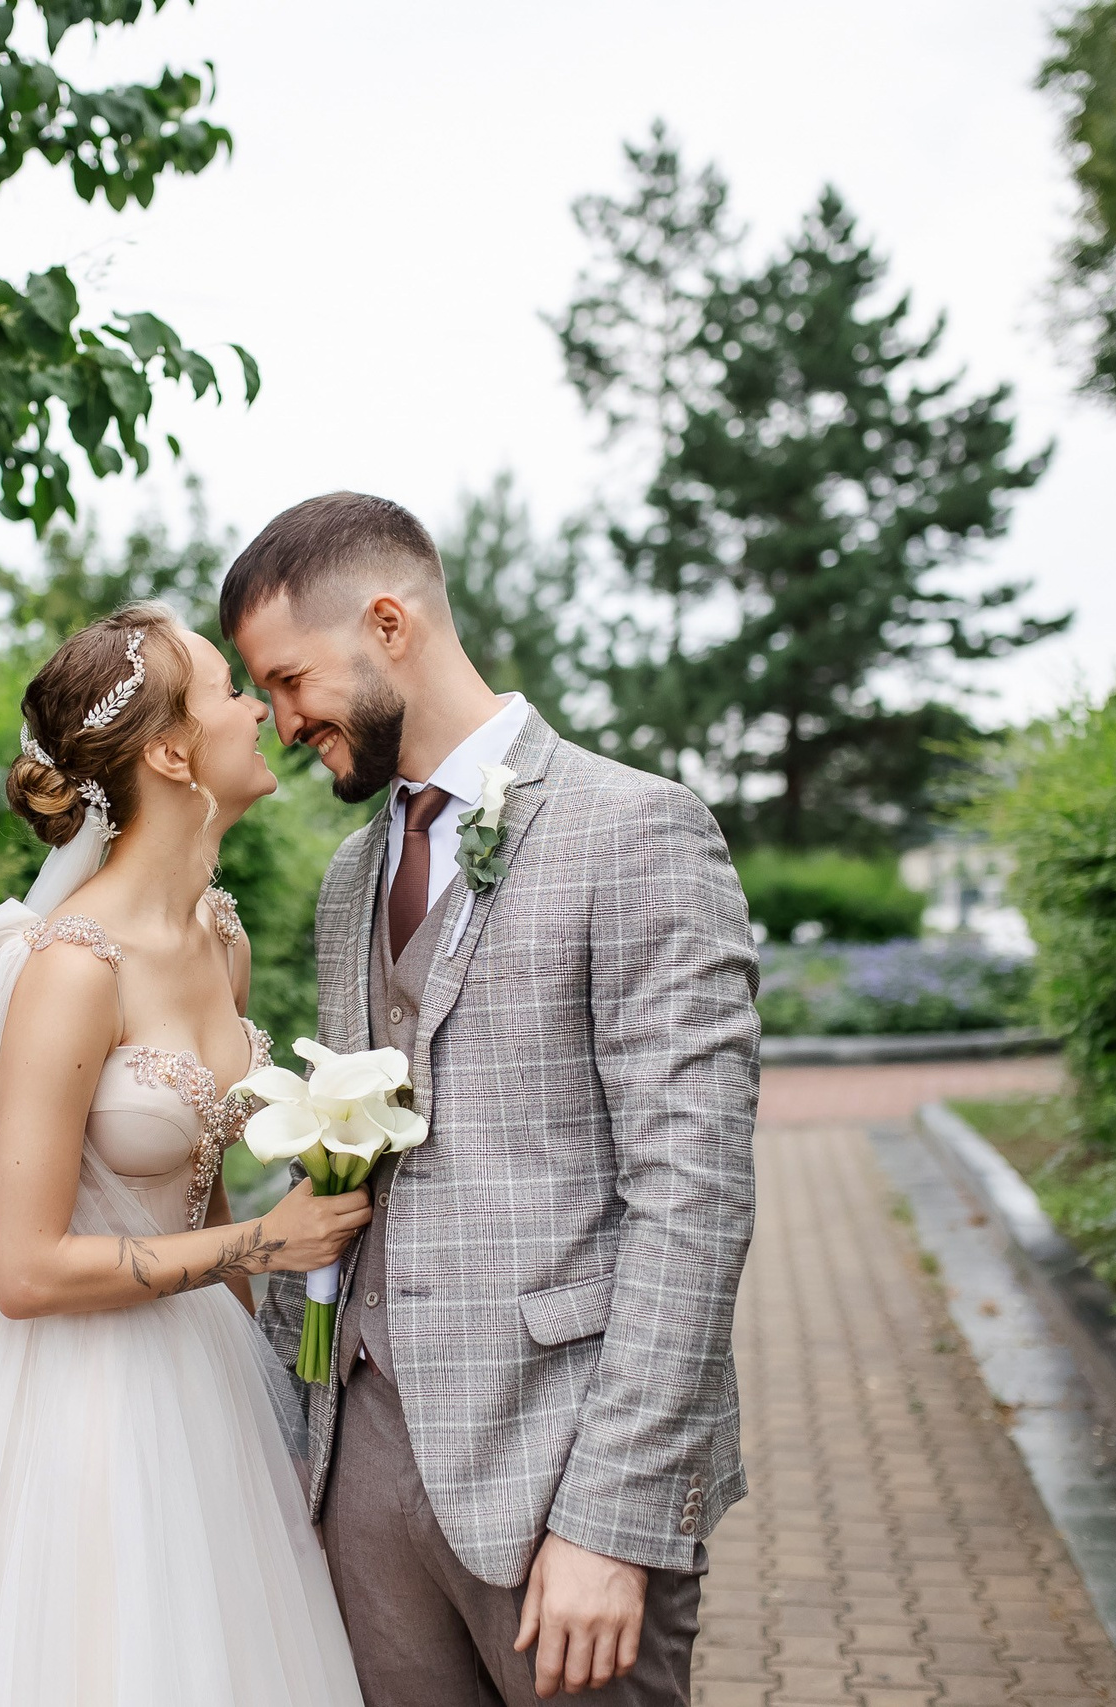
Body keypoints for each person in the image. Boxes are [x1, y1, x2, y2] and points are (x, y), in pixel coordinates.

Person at [0, 601, 368, 1707]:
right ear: (172, 750)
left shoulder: (218, 935)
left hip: (206, 1388)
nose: (256, 708)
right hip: (71, 1413)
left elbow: (197, 1204)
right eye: (227, 689)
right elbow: (25, 1270)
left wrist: (285, 1402)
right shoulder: (69, 969)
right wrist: (267, 1240)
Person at [223, 493, 760, 1707]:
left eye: (292, 678)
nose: (283, 719)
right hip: (361, 1454)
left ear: (387, 621)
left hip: (559, 1464)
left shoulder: (637, 828)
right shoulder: (352, 869)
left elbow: (695, 1199)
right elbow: (344, 1163)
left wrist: (613, 1522)